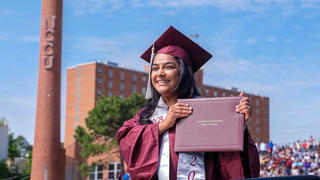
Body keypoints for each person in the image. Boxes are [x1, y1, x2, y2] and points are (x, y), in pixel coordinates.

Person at [116, 26, 260, 180]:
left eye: (169, 67)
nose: (160, 73)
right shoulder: (146, 116)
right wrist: (164, 125)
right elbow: (126, 142)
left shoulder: (208, 112)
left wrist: (238, 127)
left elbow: (233, 165)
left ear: (183, 72)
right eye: (155, 68)